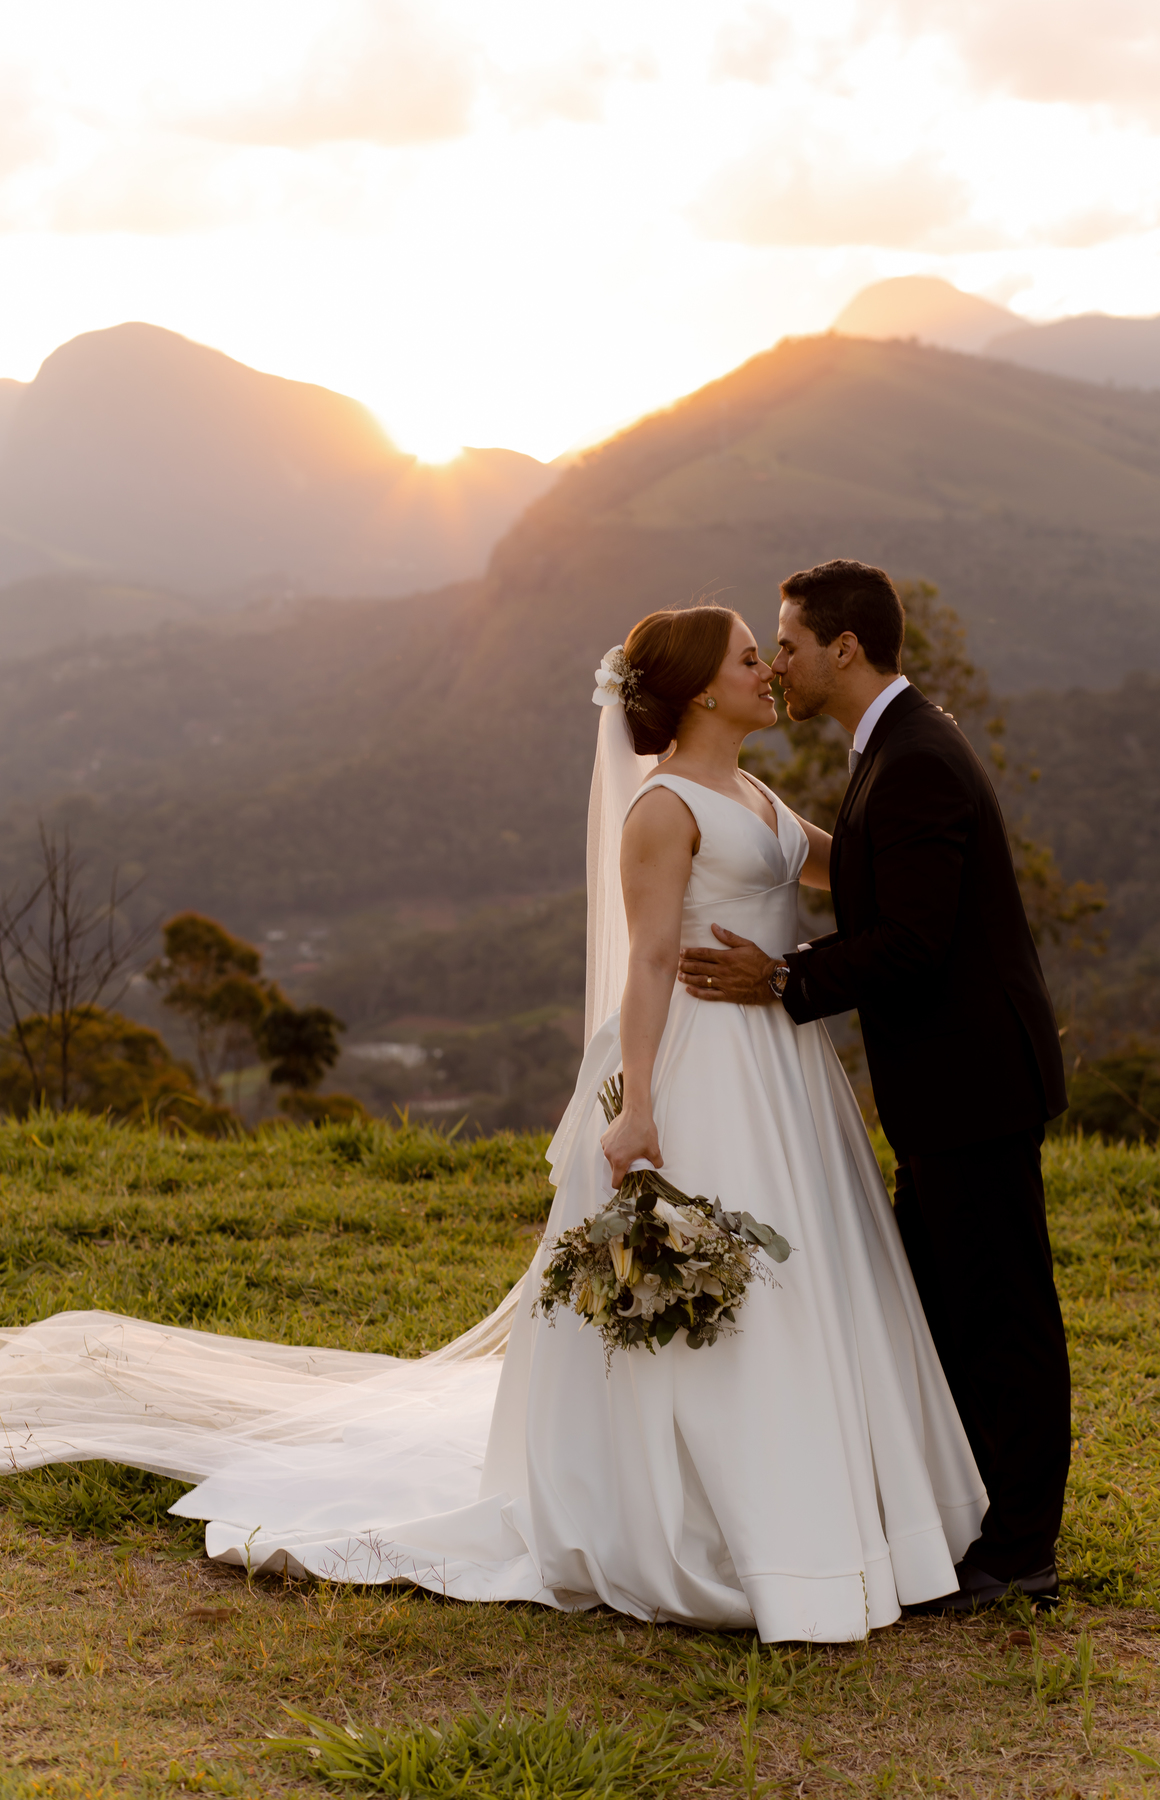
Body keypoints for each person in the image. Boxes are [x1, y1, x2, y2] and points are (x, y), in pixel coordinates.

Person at [0, 603, 986, 1643]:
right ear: (702, 688)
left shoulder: (755, 792)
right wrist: (638, 1104)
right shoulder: (662, 810)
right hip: (701, 1061)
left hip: (781, 1067)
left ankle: (835, 1505)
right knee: (714, 1286)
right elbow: (651, 962)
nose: (769, 671)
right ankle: (700, 1518)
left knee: (809, 1275)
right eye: (752, 657)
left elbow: (853, 867)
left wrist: (942, 806)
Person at [678, 561, 1070, 1613]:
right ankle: (972, 1515)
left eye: (789, 643)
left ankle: (1022, 1550)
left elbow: (913, 943)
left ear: (845, 647)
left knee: (1003, 1315)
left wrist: (784, 978)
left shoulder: (916, 761)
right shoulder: (890, 749)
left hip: (973, 1087)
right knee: (940, 1304)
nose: (780, 663)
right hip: (948, 1089)